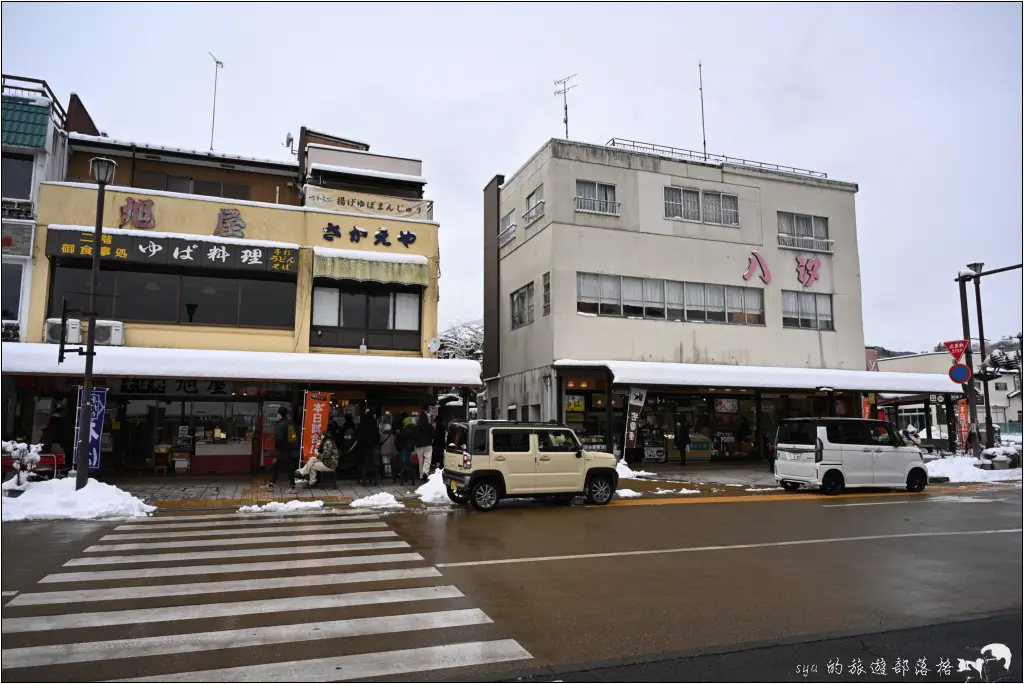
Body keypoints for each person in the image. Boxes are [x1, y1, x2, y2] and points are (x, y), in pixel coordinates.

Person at [296, 422, 340, 486]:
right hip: (327, 461)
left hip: (330, 464)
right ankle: (303, 472)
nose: (320, 436)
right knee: (312, 459)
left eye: (322, 435)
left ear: (325, 436)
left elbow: (326, 455)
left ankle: (312, 482)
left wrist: (317, 454)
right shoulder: (325, 442)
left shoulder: (328, 442)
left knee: (312, 466)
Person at [266, 406, 297, 491]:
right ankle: (271, 484)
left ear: (279, 414)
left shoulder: (281, 424)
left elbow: (279, 439)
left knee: (287, 467)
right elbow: (294, 435)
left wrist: (276, 447)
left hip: (283, 449)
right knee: (278, 466)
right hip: (290, 448)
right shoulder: (290, 423)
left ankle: (292, 487)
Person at [356, 409, 381, 485]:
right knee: (372, 462)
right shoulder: (373, 424)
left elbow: (359, 434)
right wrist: (376, 443)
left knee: (364, 462)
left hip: (363, 446)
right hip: (372, 445)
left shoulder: (362, 423)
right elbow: (377, 435)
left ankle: (363, 477)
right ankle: (372, 477)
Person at [396, 415, 417, 484]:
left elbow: (404, 435)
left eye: (404, 422)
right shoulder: (412, 427)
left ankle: (406, 475)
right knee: (407, 460)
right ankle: (407, 475)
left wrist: (399, 432)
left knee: (405, 461)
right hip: (409, 446)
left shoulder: (408, 428)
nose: (403, 423)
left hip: (406, 446)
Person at [414, 414, 435, 480]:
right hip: (428, 444)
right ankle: (425, 472)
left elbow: (415, 437)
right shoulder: (430, 426)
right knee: (427, 459)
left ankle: (421, 474)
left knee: (420, 461)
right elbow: (433, 435)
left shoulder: (417, 427)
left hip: (419, 445)